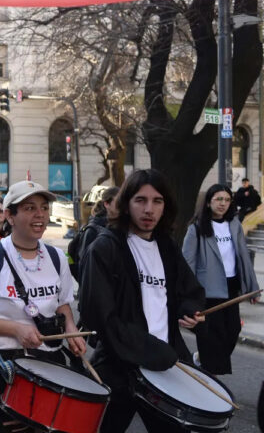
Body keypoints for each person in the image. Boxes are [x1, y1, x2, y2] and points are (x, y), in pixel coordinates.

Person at [80, 169, 205, 433]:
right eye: (140, 200)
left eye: (157, 201)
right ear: (126, 204)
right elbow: (100, 316)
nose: (149, 209)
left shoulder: (166, 246)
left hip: (165, 369)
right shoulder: (105, 248)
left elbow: (189, 291)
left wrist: (190, 310)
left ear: (165, 206)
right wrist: (152, 351)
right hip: (118, 368)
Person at [0, 181, 85, 432]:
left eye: (44, 208)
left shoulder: (57, 257)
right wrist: (15, 329)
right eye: (29, 208)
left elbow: (63, 305)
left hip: (49, 366)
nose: (40, 215)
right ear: (9, 216)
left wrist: (71, 330)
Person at [182, 184, 259, 375]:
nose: (222, 203)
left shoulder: (234, 225)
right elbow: (187, 263)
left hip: (231, 288)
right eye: (218, 199)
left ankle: (202, 360)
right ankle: (209, 376)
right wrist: (188, 295)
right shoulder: (196, 228)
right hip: (206, 291)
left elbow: (243, 257)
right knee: (211, 337)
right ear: (208, 202)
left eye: (226, 199)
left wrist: (252, 287)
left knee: (232, 332)